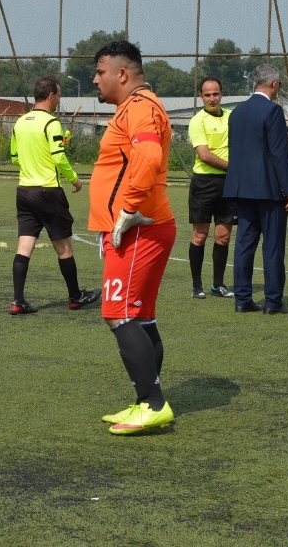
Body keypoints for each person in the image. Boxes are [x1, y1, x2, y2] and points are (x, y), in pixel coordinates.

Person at [88, 40, 176, 436]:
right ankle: (146, 401)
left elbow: (149, 155)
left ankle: (154, 403)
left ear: (121, 74)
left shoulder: (140, 106)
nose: (96, 80)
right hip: (143, 226)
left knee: (118, 313)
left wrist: (128, 208)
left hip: (139, 228)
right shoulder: (136, 106)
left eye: (100, 72)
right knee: (139, 316)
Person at [8, 76, 100, 315]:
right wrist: (75, 179)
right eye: (58, 94)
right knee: (64, 248)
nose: (59, 99)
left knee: (24, 246)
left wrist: (36, 161)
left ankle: (18, 301)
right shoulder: (51, 123)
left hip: (24, 191)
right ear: (50, 95)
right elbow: (58, 158)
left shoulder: (20, 122)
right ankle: (75, 297)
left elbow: (15, 158)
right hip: (48, 192)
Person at [223, 64, 288, 315]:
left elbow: (235, 150)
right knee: (273, 246)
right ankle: (273, 301)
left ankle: (242, 299)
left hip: (242, 188)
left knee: (244, 243)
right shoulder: (273, 111)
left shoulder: (236, 112)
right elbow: (279, 154)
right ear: (274, 84)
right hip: (269, 190)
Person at [187, 76, 237, 299]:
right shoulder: (197, 121)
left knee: (223, 236)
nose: (212, 98)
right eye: (207, 95)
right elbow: (204, 155)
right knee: (200, 235)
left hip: (228, 184)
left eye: (215, 94)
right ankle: (197, 286)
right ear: (201, 97)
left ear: (222, 94)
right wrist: (233, 167)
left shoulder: (232, 117)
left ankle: (218, 285)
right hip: (204, 183)